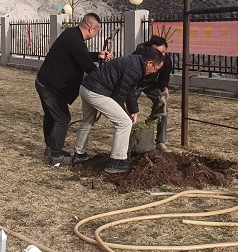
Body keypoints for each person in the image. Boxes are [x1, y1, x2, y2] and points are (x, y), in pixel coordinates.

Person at [35, 13, 111, 167]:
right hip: (51, 87)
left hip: (44, 82)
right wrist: (109, 78)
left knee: (51, 116)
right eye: (97, 31)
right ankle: (56, 157)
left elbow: (80, 56)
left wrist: (98, 55)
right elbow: (89, 67)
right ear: (91, 28)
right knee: (62, 119)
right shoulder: (75, 41)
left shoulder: (72, 34)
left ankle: (51, 148)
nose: (96, 34)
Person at [73, 48, 165, 173]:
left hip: (86, 87)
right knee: (124, 123)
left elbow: (129, 88)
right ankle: (116, 161)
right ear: (149, 63)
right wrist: (126, 114)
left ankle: (79, 153)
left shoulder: (135, 62)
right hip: (97, 92)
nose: (155, 72)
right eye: (156, 68)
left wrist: (133, 110)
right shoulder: (135, 69)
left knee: (87, 121)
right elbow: (119, 96)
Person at [133, 35, 173, 151]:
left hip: (150, 83)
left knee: (163, 102)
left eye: (163, 52)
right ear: (149, 49)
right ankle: (132, 140)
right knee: (130, 109)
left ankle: (160, 141)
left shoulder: (166, 59)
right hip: (135, 83)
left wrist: (164, 87)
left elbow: (164, 75)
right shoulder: (138, 55)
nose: (161, 55)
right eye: (157, 52)